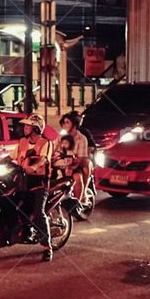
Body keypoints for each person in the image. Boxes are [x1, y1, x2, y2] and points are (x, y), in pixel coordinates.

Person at [13, 113, 54, 262]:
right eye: (24, 126)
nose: (24, 128)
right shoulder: (22, 142)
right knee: (17, 207)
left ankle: (47, 247)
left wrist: (34, 167)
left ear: (36, 128)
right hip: (23, 181)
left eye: (27, 126)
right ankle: (25, 232)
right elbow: (12, 156)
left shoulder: (45, 143)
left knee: (38, 213)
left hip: (39, 182)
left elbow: (43, 159)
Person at [59, 112, 91, 203]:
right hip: (60, 165)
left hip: (75, 165)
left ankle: (77, 203)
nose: (64, 125)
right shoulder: (61, 136)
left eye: (67, 122)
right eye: (63, 122)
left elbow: (80, 158)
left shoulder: (82, 138)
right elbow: (53, 147)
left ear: (75, 124)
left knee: (77, 177)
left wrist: (71, 168)